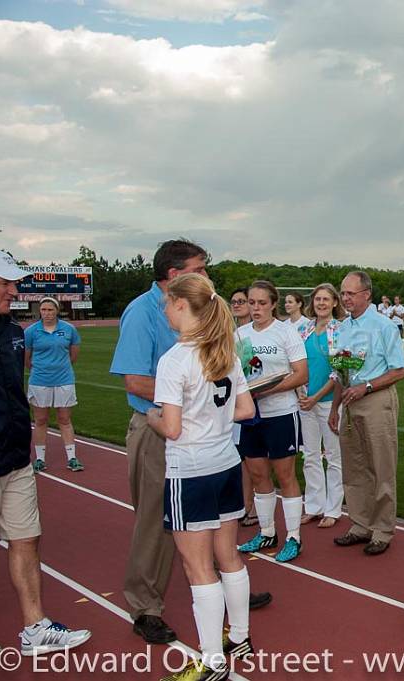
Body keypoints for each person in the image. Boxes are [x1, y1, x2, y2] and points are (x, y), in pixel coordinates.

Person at [111, 239, 271, 645]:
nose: (206, 275)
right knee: (155, 522)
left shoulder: (200, 322)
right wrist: (191, 401)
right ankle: (146, 605)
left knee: (208, 527)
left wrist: (190, 402)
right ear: (175, 276)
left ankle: (218, 597)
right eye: (200, 269)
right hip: (162, 432)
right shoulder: (142, 313)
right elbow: (134, 380)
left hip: (190, 432)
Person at [146, 274, 256, 681]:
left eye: (168, 303)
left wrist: (153, 418)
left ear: (180, 305)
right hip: (226, 464)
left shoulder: (174, 360)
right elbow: (245, 410)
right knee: (228, 555)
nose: (164, 310)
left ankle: (212, 662)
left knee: (198, 568)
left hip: (190, 471)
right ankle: (240, 636)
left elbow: (171, 428)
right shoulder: (225, 352)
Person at [0, 251, 92, 656]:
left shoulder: (12, 330)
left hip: (15, 457)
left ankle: (35, 627)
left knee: (27, 538)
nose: (14, 291)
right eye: (5, 283)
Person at [328, 271, 404, 555]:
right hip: (349, 400)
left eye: (350, 293)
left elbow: (400, 370)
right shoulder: (341, 328)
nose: (345, 298)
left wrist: (368, 386)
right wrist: (335, 407)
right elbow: (340, 372)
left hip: (376, 399)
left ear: (367, 295)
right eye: (343, 293)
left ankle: (382, 529)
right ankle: (360, 523)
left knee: (381, 466)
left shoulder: (384, 326)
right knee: (354, 466)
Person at [236, 280, 309, 563]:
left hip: (281, 412)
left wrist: (265, 390)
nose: (256, 308)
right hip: (251, 415)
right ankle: (267, 531)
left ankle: (294, 537)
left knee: (286, 475)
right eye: (251, 302)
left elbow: (301, 374)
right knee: (257, 474)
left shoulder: (286, 333)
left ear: (273, 304)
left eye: (262, 303)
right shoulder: (239, 335)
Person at [296, 283, 345, 529]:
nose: (322, 303)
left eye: (326, 299)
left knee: (334, 457)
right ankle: (314, 506)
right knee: (310, 456)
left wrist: (317, 397)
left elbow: (339, 372)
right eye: (318, 299)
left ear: (335, 302)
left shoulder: (340, 330)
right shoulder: (302, 329)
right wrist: (301, 393)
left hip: (328, 403)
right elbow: (294, 364)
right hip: (305, 402)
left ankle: (333, 509)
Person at [25, 297, 83, 472]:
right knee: (41, 420)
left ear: (57, 310)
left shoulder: (68, 330)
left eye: (50, 310)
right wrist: (42, 370)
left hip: (64, 380)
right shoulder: (31, 331)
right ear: (39, 311)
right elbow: (27, 358)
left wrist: (61, 368)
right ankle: (40, 459)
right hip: (40, 381)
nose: (47, 313)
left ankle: (72, 457)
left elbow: (73, 354)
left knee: (64, 419)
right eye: (44, 310)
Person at [228, 287, 256, 527]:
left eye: (242, 301)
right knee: (238, 456)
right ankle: (242, 504)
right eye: (234, 302)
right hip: (234, 401)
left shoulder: (256, 334)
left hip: (256, 401)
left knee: (252, 458)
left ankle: (251, 506)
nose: (237, 305)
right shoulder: (230, 333)